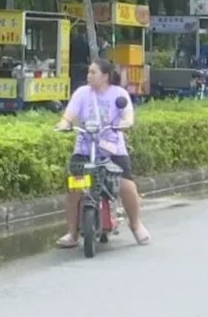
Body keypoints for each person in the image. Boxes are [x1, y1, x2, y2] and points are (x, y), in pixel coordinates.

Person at [54, 59, 151, 248]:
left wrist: (125, 122)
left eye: (93, 72)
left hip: (113, 149)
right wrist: (65, 124)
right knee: (74, 188)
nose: (89, 76)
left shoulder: (119, 94)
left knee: (127, 186)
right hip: (84, 148)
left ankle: (135, 224)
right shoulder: (82, 93)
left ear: (105, 76)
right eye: (88, 72)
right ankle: (72, 233)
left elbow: (128, 115)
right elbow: (69, 115)